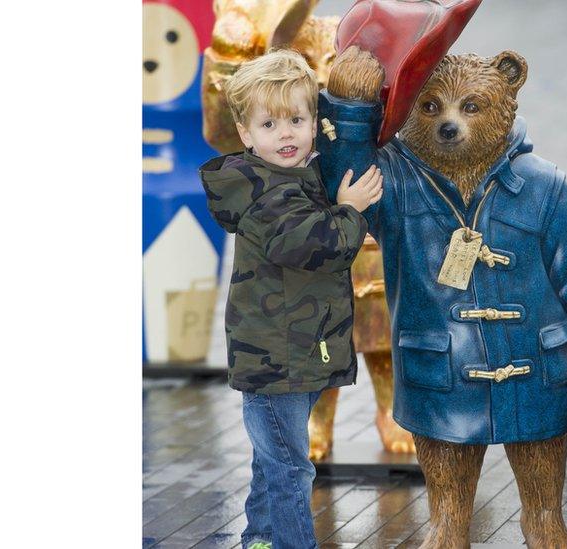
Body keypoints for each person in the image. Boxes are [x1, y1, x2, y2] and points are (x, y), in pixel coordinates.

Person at [198, 48, 383, 549]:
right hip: (276, 357)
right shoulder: (267, 193)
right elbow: (312, 247)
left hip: (293, 351)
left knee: (272, 456)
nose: (285, 134)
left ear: (312, 122)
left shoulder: (293, 177)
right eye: (270, 124)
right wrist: (349, 210)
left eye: (296, 120)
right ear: (245, 134)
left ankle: (258, 539)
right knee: (290, 468)